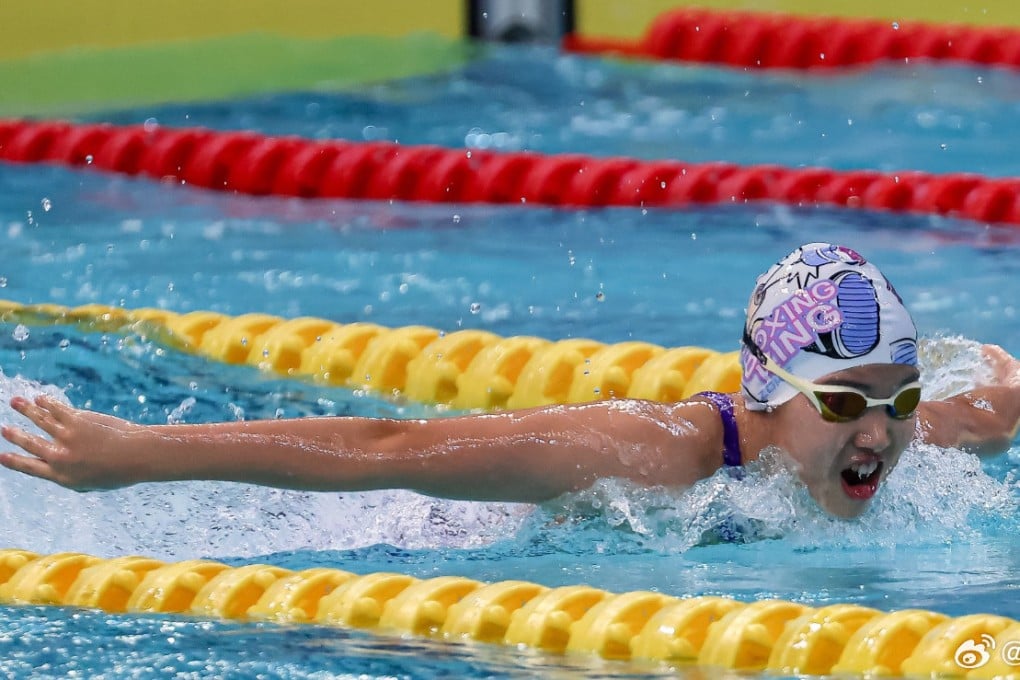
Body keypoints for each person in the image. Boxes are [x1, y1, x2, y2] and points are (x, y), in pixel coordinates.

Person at [0, 243, 1017, 519]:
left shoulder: (908, 438)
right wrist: (124, 455)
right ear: (769, 392)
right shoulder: (643, 454)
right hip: (438, 523)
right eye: (844, 398)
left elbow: (988, 406)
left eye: (898, 393)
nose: (881, 430)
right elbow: (385, 450)